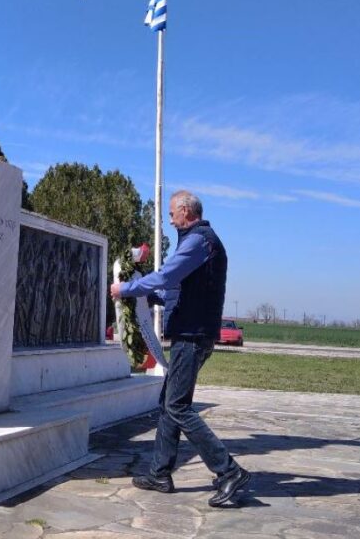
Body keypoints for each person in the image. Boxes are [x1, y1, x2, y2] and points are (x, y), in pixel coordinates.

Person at [110, 190, 249, 508]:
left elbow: (167, 276)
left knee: (179, 407)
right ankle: (160, 473)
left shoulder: (200, 240)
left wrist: (127, 289)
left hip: (191, 335)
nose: (169, 219)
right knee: (169, 402)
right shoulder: (198, 242)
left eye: (172, 212)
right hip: (192, 332)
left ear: (186, 211)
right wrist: (148, 298)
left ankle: (228, 471)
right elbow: (177, 290)